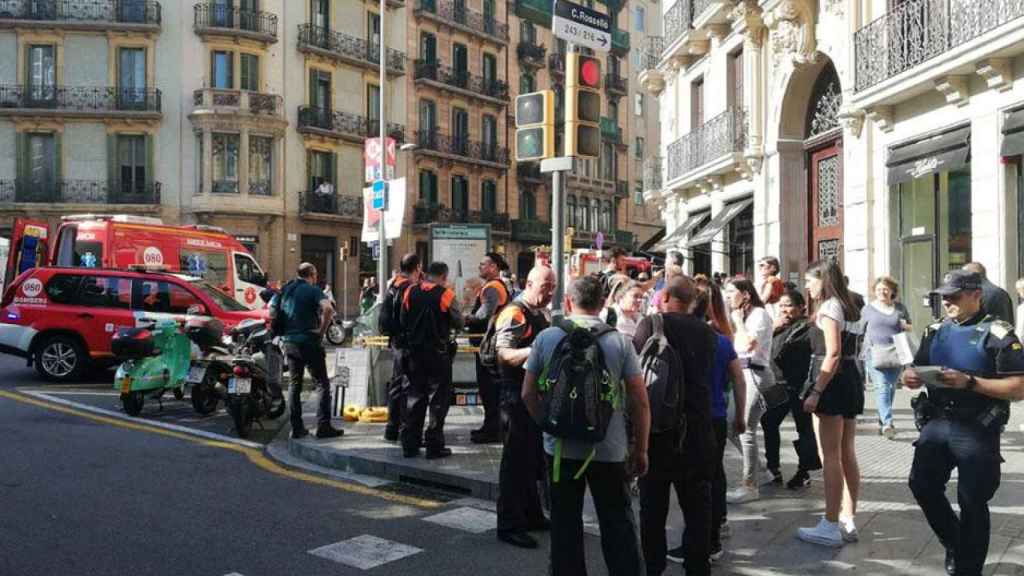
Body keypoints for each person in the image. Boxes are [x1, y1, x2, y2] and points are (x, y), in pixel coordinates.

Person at [522, 275, 651, 575]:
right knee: (617, 525)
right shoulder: (619, 341)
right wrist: (641, 448)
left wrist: (547, 426)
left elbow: (527, 393)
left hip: (560, 451)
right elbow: (640, 401)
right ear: (603, 303)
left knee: (565, 528)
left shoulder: (546, 338)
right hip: (609, 448)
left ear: (568, 302)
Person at [903, 270, 1024, 576]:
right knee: (922, 486)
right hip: (937, 422)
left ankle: (968, 569)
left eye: (954, 297)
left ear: (976, 295)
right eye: (943, 297)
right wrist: (910, 377)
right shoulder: (935, 330)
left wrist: (970, 382)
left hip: (977, 429)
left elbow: (1019, 388)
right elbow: (916, 368)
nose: (947, 303)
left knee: (971, 501)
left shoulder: (997, 332)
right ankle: (956, 543)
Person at [633, 276, 717, 575]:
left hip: (656, 432)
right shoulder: (708, 334)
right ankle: (697, 566)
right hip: (696, 432)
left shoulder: (650, 325)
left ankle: (653, 567)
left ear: (665, 295)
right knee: (697, 509)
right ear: (693, 300)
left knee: (652, 508)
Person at [672, 282, 745, 566]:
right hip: (715, 416)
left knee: (694, 484)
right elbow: (738, 378)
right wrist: (738, 415)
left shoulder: (678, 337)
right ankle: (713, 535)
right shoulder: (721, 340)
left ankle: (700, 542)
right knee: (713, 476)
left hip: (688, 418)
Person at [796, 260, 864, 547]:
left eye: (810, 281)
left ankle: (830, 523)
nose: (807, 287)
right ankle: (847, 518)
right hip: (850, 379)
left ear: (823, 280)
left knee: (831, 455)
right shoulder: (852, 305)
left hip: (832, 382)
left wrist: (816, 391)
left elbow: (832, 354)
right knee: (846, 451)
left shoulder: (829, 307)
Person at [494, 266, 555, 549]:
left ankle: (532, 515)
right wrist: (535, 352)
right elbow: (503, 353)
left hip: (532, 396)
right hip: (514, 396)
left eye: (552, 286)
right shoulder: (514, 313)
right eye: (545, 286)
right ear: (529, 284)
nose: (550, 292)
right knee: (516, 463)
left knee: (532, 459)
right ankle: (509, 525)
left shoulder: (540, 312)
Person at [398, 261, 463, 459]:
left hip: (414, 354)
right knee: (438, 401)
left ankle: (410, 444)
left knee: (415, 397)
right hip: (438, 354)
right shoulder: (446, 295)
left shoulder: (410, 291)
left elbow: (403, 319)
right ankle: (434, 445)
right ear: (444, 276)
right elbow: (458, 322)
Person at [273, 263, 343, 440]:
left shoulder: (286, 289)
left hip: (289, 342)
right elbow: (328, 308)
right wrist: (321, 330)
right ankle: (323, 426)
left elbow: (272, 310)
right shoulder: (312, 290)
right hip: (308, 341)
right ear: (312, 275)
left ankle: (297, 429)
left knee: (294, 385)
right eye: (316, 275)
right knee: (322, 384)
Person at [761, 289, 821, 489]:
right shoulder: (775, 327)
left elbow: (818, 356)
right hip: (777, 386)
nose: (785, 310)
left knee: (803, 429)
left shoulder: (809, 328)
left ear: (800, 307)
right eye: (782, 306)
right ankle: (773, 468)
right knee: (769, 422)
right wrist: (772, 329)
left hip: (798, 387)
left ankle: (803, 472)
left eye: (789, 305)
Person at [723, 277, 775, 503]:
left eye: (731, 292)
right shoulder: (741, 315)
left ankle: (750, 484)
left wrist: (737, 321)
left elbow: (747, 345)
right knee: (732, 426)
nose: (727, 296)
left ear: (745, 294)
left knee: (746, 430)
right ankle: (759, 472)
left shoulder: (759, 315)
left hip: (755, 374)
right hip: (741, 375)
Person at [466, 252, 512, 444]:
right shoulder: (493, 286)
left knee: (489, 389)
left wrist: (464, 319)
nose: (479, 267)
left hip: (489, 347)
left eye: (483, 264)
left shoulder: (492, 288)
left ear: (493, 267)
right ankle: (490, 426)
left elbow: (484, 315)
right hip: (489, 344)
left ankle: (494, 430)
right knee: (489, 389)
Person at [861, 276, 913, 439]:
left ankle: (883, 420)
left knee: (890, 388)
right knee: (882, 387)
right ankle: (888, 423)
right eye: (878, 289)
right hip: (874, 352)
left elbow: (910, 326)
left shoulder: (900, 308)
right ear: (874, 292)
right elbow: (860, 329)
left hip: (896, 352)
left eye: (885, 289)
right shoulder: (868, 309)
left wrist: (906, 326)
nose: (882, 292)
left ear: (892, 291)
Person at [377, 254, 422, 442]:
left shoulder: (393, 284)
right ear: (417, 267)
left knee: (396, 384)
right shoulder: (409, 288)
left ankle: (392, 428)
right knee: (408, 386)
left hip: (395, 340)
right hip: (407, 342)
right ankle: (405, 429)